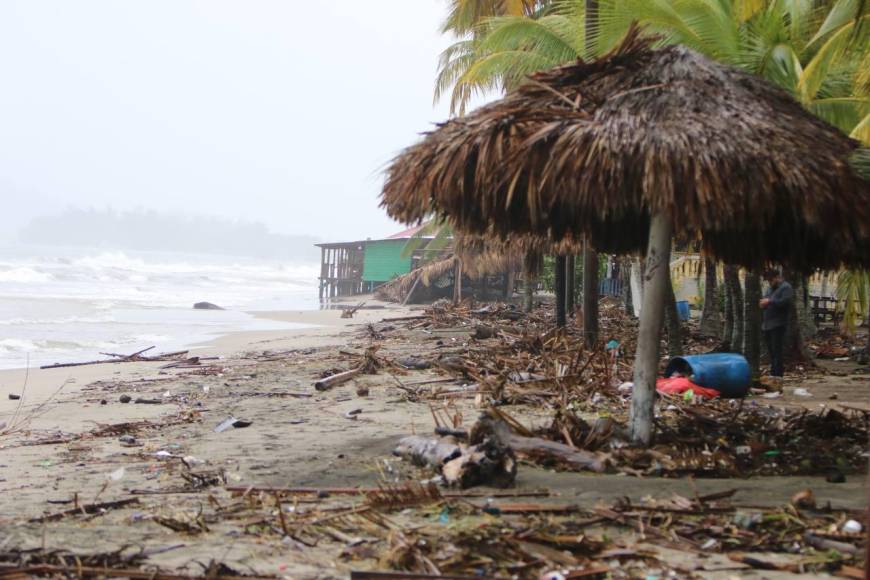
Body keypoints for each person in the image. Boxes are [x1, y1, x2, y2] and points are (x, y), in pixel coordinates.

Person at [760, 269, 793, 380]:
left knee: (777, 350)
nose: (769, 282)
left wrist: (770, 302)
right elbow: (766, 299)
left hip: (778, 324)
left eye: (771, 280)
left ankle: (778, 375)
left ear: (777, 277)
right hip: (768, 324)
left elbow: (785, 302)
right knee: (771, 351)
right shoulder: (770, 289)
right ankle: (773, 373)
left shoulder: (786, 287)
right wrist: (764, 304)